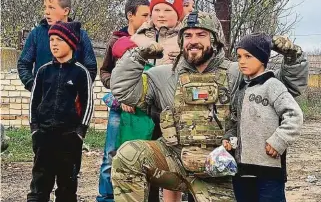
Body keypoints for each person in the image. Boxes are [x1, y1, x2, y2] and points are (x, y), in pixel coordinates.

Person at [109, 10, 308, 202]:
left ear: (215, 40)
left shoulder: (237, 73)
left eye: (201, 35)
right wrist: (136, 57)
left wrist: (293, 59)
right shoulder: (163, 75)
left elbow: (284, 88)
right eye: (187, 35)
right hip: (175, 160)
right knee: (128, 156)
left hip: (222, 169)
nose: (193, 40)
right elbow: (125, 91)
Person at [112, 0, 189, 202]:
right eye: (157, 10)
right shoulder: (138, 37)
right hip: (142, 112)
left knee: (172, 167)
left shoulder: (187, 38)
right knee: (140, 162)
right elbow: (121, 68)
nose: (161, 15)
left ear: (179, 14)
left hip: (173, 111)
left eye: (168, 10)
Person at [222, 33, 304, 202]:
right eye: (239, 56)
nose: (242, 61)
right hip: (242, 169)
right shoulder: (241, 89)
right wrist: (229, 138)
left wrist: (279, 141)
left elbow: (294, 115)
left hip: (269, 170)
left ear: (262, 58)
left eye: (248, 56)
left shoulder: (272, 85)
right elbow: (234, 120)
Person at [27, 21, 94, 202]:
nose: (54, 44)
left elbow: (88, 104)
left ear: (71, 43)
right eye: (51, 39)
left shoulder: (81, 73)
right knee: (39, 185)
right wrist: (35, 129)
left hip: (69, 137)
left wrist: (80, 132)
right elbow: (34, 101)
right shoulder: (43, 71)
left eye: (59, 39)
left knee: (67, 186)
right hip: (45, 135)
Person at [97, 0, 150, 202]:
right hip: (120, 108)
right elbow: (105, 72)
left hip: (145, 109)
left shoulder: (151, 41)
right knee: (111, 153)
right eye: (144, 15)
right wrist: (121, 92)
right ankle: (106, 198)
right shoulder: (116, 40)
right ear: (130, 15)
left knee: (142, 156)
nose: (148, 20)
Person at [17, 0, 97, 90]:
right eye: (45, 7)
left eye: (51, 7)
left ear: (66, 11)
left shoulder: (80, 35)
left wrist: (79, 89)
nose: (46, 12)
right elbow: (23, 63)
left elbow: (91, 67)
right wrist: (33, 85)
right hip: (43, 100)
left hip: (72, 101)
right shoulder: (36, 34)